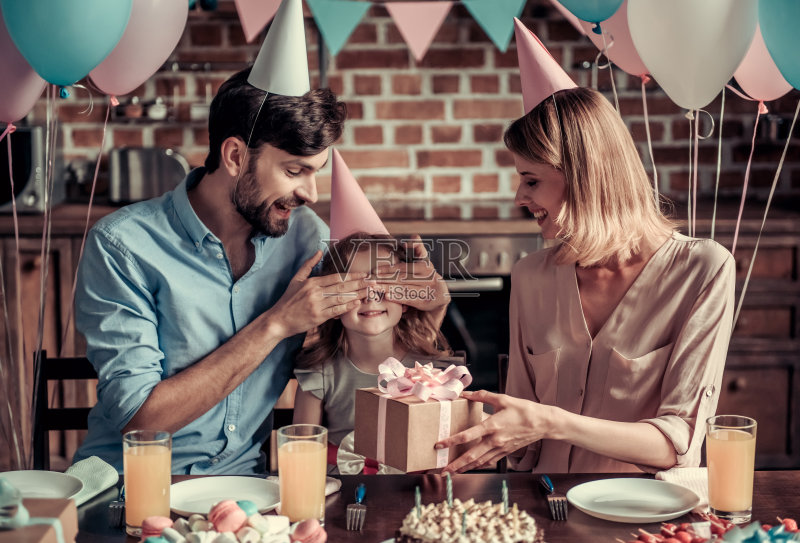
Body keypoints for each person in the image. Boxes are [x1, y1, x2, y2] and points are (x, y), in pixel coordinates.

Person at [71, 65, 372, 474]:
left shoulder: (307, 240)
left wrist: (428, 299)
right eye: (294, 171)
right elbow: (141, 422)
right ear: (234, 156)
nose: (311, 194)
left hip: (248, 491)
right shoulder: (124, 246)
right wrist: (277, 324)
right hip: (131, 487)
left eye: (316, 171)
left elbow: (382, 334)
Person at [436, 85, 735, 474]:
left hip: (641, 517)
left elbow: (679, 444)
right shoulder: (530, 277)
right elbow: (521, 443)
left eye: (531, 180)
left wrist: (552, 422)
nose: (518, 198)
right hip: (543, 506)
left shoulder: (703, 270)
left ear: (583, 178)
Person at [292, 233, 453, 472]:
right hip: (339, 492)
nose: (371, 294)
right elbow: (301, 458)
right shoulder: (320, 372)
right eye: (354, 285)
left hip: (413, 494)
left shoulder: (424, 368)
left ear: (407, 299)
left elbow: (441, 454)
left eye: (385, 282)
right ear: (333, 303)